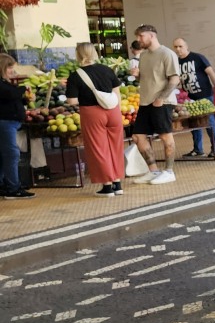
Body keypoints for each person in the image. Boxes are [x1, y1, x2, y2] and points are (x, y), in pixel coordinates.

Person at [65, 43, 125, 197]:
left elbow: (72, 101)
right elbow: (117, 93)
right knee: (115, 147)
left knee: (99, 148)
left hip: (92, 113)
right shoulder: (107, 69)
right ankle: (117, 184)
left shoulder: (76, 75)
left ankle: (107, 186)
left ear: (78, 55)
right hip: (113, 111)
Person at [130, 25, 181, 186]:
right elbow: (146, 78)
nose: (138, 40)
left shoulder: (167, 54)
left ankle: (169, 171)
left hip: (162, 102)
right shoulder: (144, 55)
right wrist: (137, 75)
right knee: (138, 137)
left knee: (165, 136)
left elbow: (175, 79)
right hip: (145, 102)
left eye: (141, 36)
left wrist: (161, 98)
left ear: (152, 36)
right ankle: (153, 171)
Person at [172, 38, 215, 158]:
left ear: (186, 46)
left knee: (209, 122)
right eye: (175, 47)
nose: (178, 49)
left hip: (204, 95)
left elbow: (211, 73)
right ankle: (198, 149)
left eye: (180, 46)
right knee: (194, 124)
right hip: (190, 98)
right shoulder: (177, 62)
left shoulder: (198, 58)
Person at [0, 54, 33, 200]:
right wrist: (23, 89)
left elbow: (11, 97)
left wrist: (25, 99)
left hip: (10, 122)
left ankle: (4, 184)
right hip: (5, 123)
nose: (12, 71)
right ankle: (13, 188)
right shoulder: (3, 86)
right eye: (9, 67)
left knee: (4, 155)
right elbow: (10, 94)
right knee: (11, 154)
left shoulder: (5, 83)